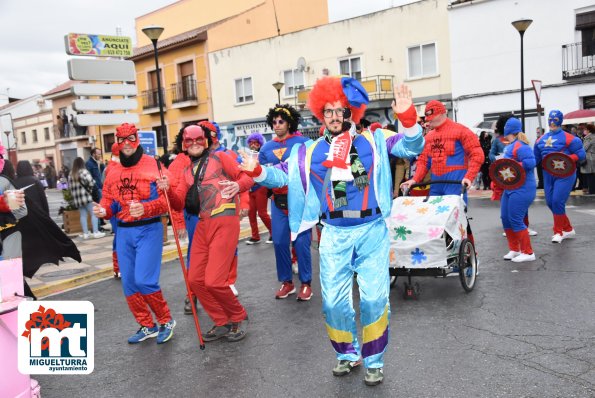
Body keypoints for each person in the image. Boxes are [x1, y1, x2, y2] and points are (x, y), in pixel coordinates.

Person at [241, 77, 424, 386]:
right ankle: (347, 354)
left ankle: (374, 361)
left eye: (341, 110)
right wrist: (256, 170)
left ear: (351, 112)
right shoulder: (310, 152)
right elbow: (281, 176)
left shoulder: (375, 140)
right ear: (320, 115)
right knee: (334, 303)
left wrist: (407, 117)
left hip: (371, 230)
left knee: (373, 300)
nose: (335, 116)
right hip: (334, 234)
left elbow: (411, 145)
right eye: (329, 111)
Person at [157, 124, 253, 342]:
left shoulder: (221, 158)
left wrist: (238, 187)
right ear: (184, 145)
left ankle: (238, 316)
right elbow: (178, 201)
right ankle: (221, 321)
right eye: (189, 141)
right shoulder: (184, 171)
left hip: (225, 219)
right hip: (202, 223)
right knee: (195, 280)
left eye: (198, 139)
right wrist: (167, 189)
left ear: (206, 140)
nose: (194, 144)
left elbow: (248, 177)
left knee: (214, 280)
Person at [93, 123, 176, 344]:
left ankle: (165, 320)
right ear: (117, 142)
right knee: (129, 282)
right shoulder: (112, 170)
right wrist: (103, 211)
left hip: (149, 228)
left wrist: (146, 208)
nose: (127, 144)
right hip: (123, 232)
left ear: (137, 139)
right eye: (122, 140)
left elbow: (168, 201)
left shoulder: (154, 165)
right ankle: (146, 325)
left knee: (144, 280)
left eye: (131, 139)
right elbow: (108, 200)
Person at [6, 159, 82, 299]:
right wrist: (46, 217)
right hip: (37, 216)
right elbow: (42, 200)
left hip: (21, 223)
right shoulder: (35, 181)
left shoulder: (14, 183)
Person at [259, 104, 312, 301]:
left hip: (299, 201)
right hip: (277, 200)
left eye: (281, 121)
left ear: (289, 123)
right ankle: (287, 282)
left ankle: (306, 283)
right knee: (280, 242)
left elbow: (312, 170)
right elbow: (261, 175)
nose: (277, 125)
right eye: (274, 122)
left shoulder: (304, 143)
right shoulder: (266, 148)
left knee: (301, 243)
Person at [534, 110, 586, 243]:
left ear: (560, 120)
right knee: (551, 202)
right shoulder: (540, 140)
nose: (552, 122)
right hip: (548, 174)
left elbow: (581, 155)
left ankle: (558, 231)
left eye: (555, 119)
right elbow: (535, 159)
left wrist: (568, 158)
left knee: (557, 201)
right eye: (550, 119)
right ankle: (568, 229)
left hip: (565, 174)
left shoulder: (571, 138)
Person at [499, 118, 537, 262]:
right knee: (505, 218)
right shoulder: (510, 145)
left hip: (523, 188)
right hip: (510, 187)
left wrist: (514, 163)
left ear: (509, 130)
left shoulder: (521, 146)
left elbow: (531, 163)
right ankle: (515, 249)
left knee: (515, 219)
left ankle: (528, 252)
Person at [245, 132, 272, 244]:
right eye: (251, 143)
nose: (253, 145)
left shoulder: (262, 155)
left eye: (256, 143)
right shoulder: (248, 155)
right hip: (250, 188)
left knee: (262, 213)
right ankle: (255, 236)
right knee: (251, 213)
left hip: (261, 187)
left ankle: (274, 233)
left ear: (260, 144)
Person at [68, 158, 105, 240]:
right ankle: (95, 232)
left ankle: (85, 233)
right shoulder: (84, 171)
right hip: (86, 196)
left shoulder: (71, 173)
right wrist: (89, 189)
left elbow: (69, 187)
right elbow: (91, 182)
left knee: (83, 215)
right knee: (93, 213)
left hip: (77, 199)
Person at [104, 143, 121, 278]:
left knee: (119, 236)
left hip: (114, 207)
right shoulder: (115, 168)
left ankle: (117, 267)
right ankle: (119, 267)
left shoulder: (109, 167)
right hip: (117, 208)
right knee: (120, 237)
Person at [581, 124, 595, 194]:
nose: (584, 131)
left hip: (589, 158)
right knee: (591, 174)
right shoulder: (593, 136)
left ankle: (592, 191)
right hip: (592, 157)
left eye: (585, 129)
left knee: (590, 174)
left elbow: (584, 148)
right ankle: (592, 190)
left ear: (588, 130)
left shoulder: (589, 138)